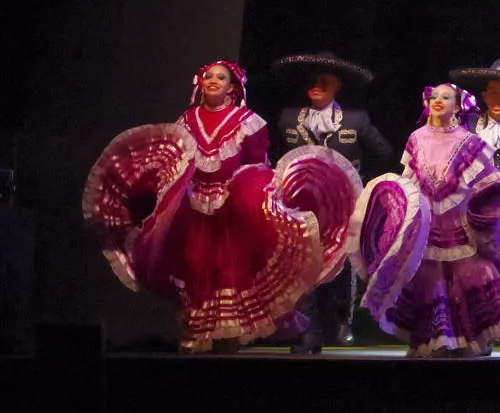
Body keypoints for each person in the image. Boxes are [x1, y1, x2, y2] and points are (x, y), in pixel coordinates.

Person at [83, 60, 361, 352]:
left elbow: (257, 164)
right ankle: (198, 334)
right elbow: (177, 160)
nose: (213, 81)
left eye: (221, 77)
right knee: (195, 271)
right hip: (193, 208)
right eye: (208, 76)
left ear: (232, 87)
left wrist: (261, 197)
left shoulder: (246, 121)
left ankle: (230, 337)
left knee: (231, 270)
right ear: (200, 83)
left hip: (233, 207)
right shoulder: (187, 121)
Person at [349, 83, 500, 357]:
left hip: (460, 223)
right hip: (428, 224)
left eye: (445, 98)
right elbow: (409, 180)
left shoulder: (469, 142)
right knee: (428, 281)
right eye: (433, 97)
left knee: (467, 275)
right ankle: (432, 340)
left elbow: (488, 183)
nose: (438, 101)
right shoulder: (416, 138)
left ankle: (470, 339)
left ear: (457, 107)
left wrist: (494, 214)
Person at [271, 50, 394, 352]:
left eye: (325, 80)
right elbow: (276, 156)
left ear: (337, 85)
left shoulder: (355, 119)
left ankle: (341, 321)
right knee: (300, 265)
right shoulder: (289, 118)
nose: (317, 83)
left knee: (343, 265)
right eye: (313, 79)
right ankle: (306, 327)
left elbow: (384, 152)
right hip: (299, 207)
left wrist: (360, 183)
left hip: (343, 208)